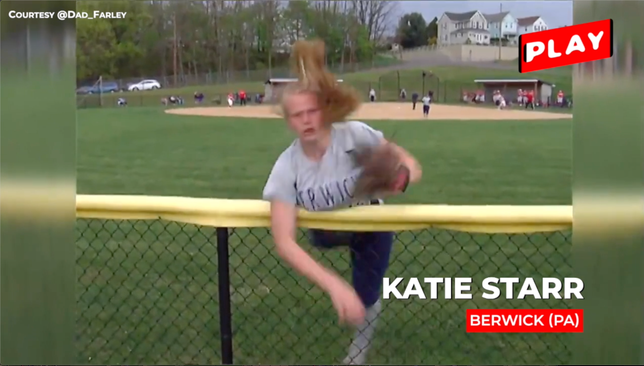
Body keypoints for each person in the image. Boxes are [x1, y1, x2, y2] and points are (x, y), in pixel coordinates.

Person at [263, 39, 422, 365]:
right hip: (326, 230)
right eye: (297, 115)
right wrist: (334, 286)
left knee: (366, 298)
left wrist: (400, 176)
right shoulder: (287, 166)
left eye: (312, 111)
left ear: (324, 110)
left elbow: (410, 163)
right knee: (329, 247)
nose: (306, 120)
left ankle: (359, 350)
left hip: (371, 227)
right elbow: (284, 241)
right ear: (288, 120)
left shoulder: (354, 136)